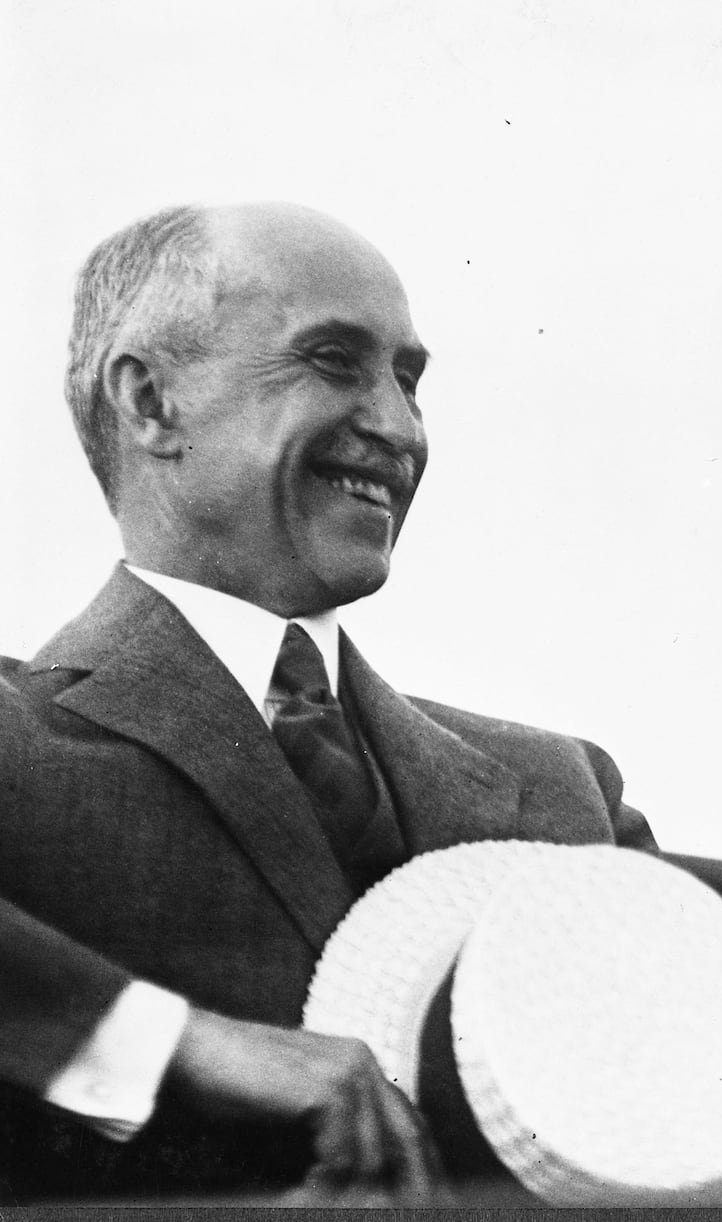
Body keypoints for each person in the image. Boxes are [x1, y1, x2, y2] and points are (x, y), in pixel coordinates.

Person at [0, 202, 656, 1202]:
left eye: (408, 379)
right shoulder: (18, 742)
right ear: (150, 401)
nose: (399, 426)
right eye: (333, 360)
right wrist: (186, 1046)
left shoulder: (565, 790)